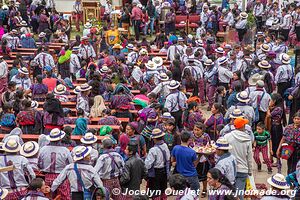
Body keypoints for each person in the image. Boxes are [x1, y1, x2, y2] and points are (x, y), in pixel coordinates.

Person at [38, 128, 72, 200]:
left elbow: (39, 165)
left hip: (48, 177)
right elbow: (70, 165)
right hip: (62, 177)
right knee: (64, 197)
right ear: (60, 139)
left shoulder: (43, 149)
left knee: (49, 197)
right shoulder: (65, 150)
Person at [224, 118, 253, 200]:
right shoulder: (247, 139)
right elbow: (249, 157)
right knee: (239, 194)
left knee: (229, 194)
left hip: (229, 169)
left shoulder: (227, 137)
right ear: (243, 126)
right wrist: (250, 171)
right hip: (242, 170)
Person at [145, 128, 170, 200]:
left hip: (156, 173)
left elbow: (148, 164)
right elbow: (168, 158)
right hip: (164, 171)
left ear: (154, 139)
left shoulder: (153, 150)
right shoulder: (165, 145)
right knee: (163, 189)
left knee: (155, 192)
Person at [190, 122, 211, 197]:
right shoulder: (191, 135)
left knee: (203, 176)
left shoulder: (206, 136)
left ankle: (204, 189)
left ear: (202, 130)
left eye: (198, 130)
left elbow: (209, 146)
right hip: (193, 157)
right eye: (195, 129)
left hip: (203, 159)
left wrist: (202, 151)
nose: (196, 131)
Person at [266, 93, 285, 172]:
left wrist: (268, 108)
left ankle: (278, 161)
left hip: (276, 128)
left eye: (272, 100)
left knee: (276, 143)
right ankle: (273, 159)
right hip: (275, 127)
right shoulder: (277, 107)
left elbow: (269, 115)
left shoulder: (278, 109)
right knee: (273, 142)